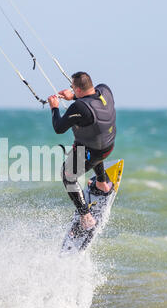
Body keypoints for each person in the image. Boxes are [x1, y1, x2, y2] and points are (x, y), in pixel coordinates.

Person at [48, 71, 116, 230]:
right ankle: (103, 184)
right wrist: (73, 96)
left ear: (78, 89)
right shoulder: (105, 90)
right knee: (88, 139)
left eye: (72, 87)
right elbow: (91, 102)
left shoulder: (79, 107)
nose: (71, 89)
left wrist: (54, 108)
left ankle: (86, 217)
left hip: (94, 151)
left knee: (67, 175)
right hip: (109, 145)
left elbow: (59, 128)